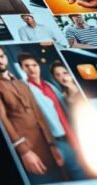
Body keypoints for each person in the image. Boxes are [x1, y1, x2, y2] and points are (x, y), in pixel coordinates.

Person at [0, 46, 64, 183]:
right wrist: (24, 151)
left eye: (1, 56)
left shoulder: (21, 83)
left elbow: (38, 113)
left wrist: (52, 145)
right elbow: (1, 118)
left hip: (47, 146)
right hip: (28, 150)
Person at [18, 52, 87, 181]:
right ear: (22, 69)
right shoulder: (24, 88)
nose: (31, 68)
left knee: (81, 174)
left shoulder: (50, 86)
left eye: (34, 65)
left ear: (38, 66)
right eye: (26, 66)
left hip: (70, 137)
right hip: (53, 141)